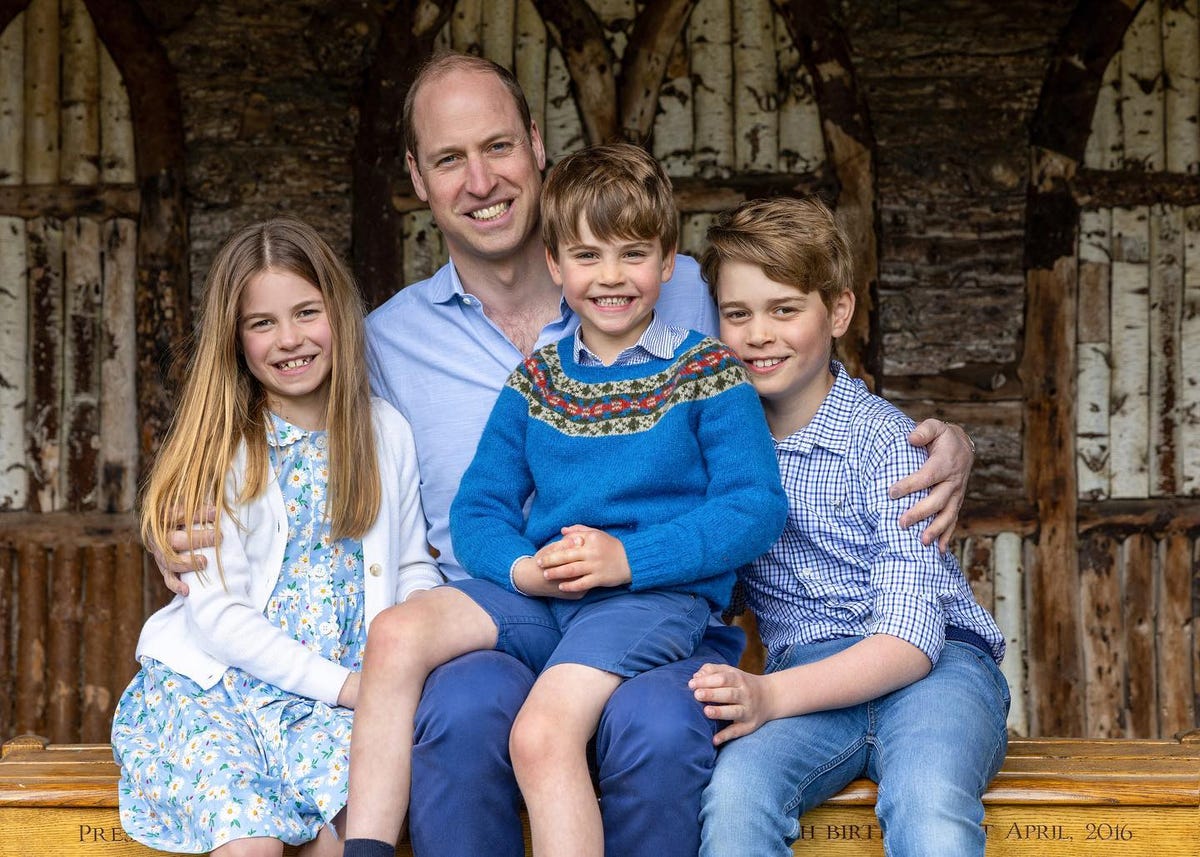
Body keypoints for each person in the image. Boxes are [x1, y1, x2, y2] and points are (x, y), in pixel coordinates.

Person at [158, 52, 976, 857]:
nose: (480, 180)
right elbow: (277, 426)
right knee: (459, 702)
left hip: (658, 604)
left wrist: (939, 439)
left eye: (498, 147)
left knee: (652, 723)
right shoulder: (391, 346)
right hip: (510, 605)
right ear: (418, 177)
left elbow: (795, 364)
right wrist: (177, 521)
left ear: (537, 149)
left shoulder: (693, 306)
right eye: (450, 159)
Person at [341, 142, 788, 857]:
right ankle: (362, 849)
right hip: (546, 595)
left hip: (649, 598)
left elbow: (755, 506)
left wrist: (627, 558)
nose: (610, 277)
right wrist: (522, 569)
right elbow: (479, 510)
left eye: (633, 254)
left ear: (669, 262)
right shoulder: (536, 382)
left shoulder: (706, 372)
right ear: (556, 265)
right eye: (587, 256)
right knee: (397, 633)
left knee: (542, 733)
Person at [690, 197, 1010, 857]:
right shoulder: (723, 453)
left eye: (785, 309)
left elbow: (910, 641)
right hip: (808, 680)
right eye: (737, 313)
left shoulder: (889, 445)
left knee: (928, 799)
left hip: (936, 672)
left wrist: (768, 693)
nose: (758, 334)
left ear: (837, 311)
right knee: (735, 796)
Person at [112, 218, 442, 857]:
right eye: (261, 323)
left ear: (338, 314)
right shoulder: (224, 448)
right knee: (253, 843)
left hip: (334, 704)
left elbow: (410, 565)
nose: (289, 339)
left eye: (306, 312)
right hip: (218, 689)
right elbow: (217, 616)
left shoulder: (384, 433)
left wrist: (410, 637)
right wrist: (350, 687)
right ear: (234, 340)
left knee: (349, 832)